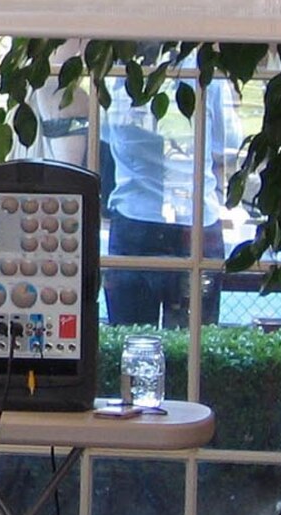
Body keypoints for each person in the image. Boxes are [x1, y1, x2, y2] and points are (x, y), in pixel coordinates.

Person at [101, 75, 239, 327]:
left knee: (132, 336)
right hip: (194, 219)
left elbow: (106, 134)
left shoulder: (118, 78)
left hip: (136, 218)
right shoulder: (206, 76)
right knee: (195, 340)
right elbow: (226, 146)